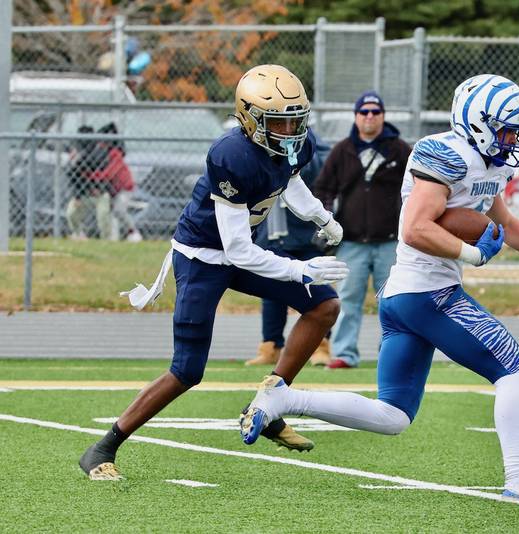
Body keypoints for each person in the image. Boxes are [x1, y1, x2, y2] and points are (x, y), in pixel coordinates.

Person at [240, 74, 519, 503]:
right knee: (514, 367)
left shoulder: (489, 163)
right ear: (478, 122)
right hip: (428, 293)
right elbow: (415, 227)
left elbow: (508, 225)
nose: (513, 138)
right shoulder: (447, 154)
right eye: (506, 128)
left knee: (394, 415)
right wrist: (471, 254)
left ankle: (282, 401)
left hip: (408, 296)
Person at [78, 65, 349, 480]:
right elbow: (238, 250)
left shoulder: (295, 143)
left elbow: (288, 181)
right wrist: (299, 268)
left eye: (296, 119)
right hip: (204, 257)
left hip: (242, 250)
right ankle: (104, 447)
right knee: (187, 369)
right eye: (279, 121)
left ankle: (268, 405)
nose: (291, 129)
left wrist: (321, 219)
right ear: (248, 118)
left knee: (324, 306)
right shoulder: (232, 155)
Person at [314, 90, 411, 369]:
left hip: (391, 240)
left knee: (394, 301)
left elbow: (417, 189)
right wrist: (328, 216)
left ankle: (392, 355)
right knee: (347, 299)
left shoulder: (400, 149)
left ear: (383, 116)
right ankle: (344, 353)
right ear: (356, 116)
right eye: (364, 112)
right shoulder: (342, 150)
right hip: (352, 241)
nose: (370, 117)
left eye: (375, 112)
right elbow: (323, 189)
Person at [246, 145, 333, 367]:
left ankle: (320, 346)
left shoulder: (314, 147)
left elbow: (315, 175)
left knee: (318, 293)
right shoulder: (256, 148)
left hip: (306, 235)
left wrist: (291, 159)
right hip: (273, 236)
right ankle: (271, 346)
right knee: (271, 294)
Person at [94, 122, 143, 242]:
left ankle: (133, 231)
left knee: (119, 210)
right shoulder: (103, 155)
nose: (99, 145)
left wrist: (94, 177)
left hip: (125, 188)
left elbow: (110, 173)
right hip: (113, 190)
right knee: (111, 213)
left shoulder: (116, 154)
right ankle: (113, 238)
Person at [65, 125, 112, 240]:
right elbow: (73, 176)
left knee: (103, 215)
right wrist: (77, 196)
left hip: (100, 192)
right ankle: (78, 234)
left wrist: (80, 159)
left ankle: (106, 240)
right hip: (83, 193)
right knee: (71, 213)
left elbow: (99, 169)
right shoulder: (76, 155)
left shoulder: (100, 152)